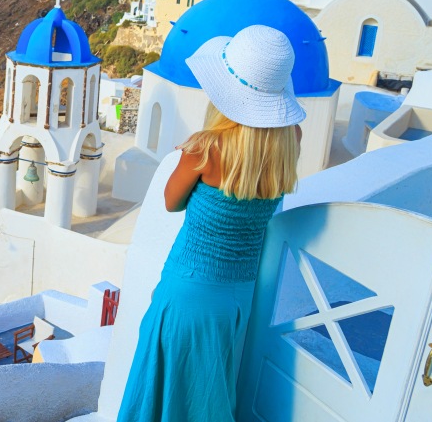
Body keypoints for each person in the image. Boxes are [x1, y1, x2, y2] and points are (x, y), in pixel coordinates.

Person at [118, 25, 304, 422]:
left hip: (188, 291)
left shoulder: (206, 147)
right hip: (238, 296)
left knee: (161, 392)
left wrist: (188, 155)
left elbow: (171, 202)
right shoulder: (291, 140)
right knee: (207, 397)